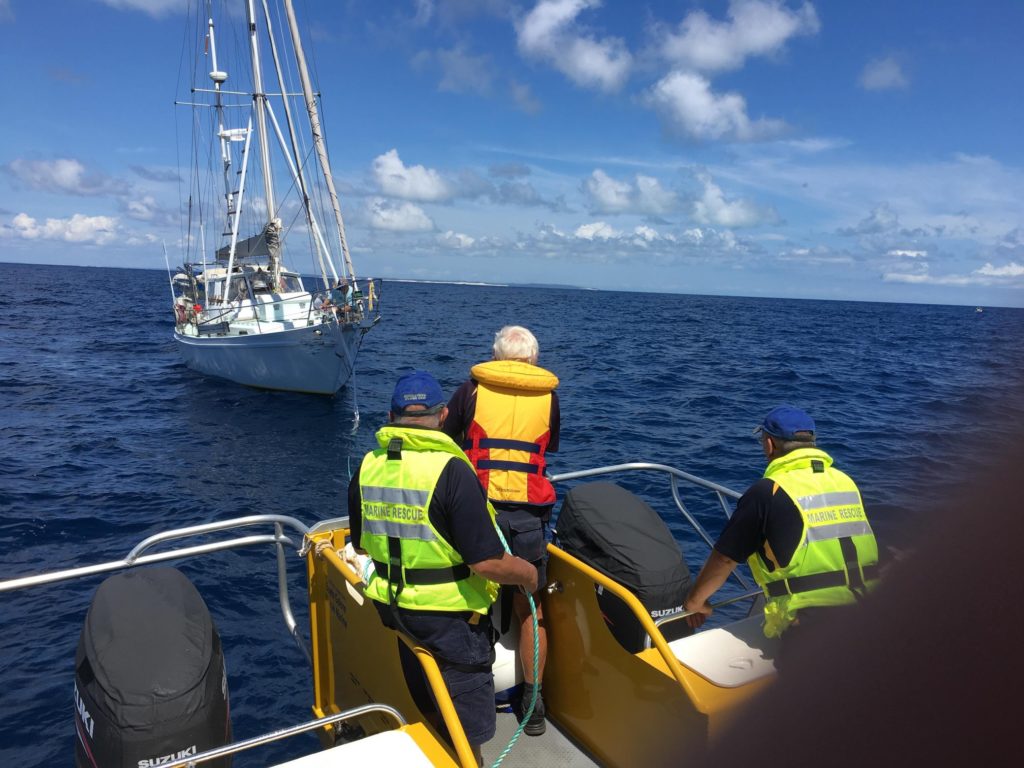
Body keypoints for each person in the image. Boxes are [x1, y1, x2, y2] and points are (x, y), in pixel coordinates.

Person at [348, 370, 538, 763]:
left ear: (390, 415)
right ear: (443, 415)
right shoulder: (452, 472)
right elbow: (487, 562)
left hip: (396, 612)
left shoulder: (367, 467)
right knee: (468, 733)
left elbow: (362, 545)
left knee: (428, 703)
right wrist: (529, 575)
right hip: (452, 622)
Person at [683, 405, 880, 666]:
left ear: (768, 444)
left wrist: (696, 602)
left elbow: (726, 560)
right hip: (871, 607)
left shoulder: (768, 492)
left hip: (812, 620)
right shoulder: (844, 481)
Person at [443, 325, 559, 736]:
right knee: (530, 606)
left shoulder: (471, 391)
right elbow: (550, 444)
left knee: (464, 596)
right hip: (528, 517)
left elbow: (446, 440)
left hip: (476, 510)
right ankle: (534, 699)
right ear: (533, 361)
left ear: (495, 357)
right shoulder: (549, 397)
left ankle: (464, 696)